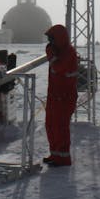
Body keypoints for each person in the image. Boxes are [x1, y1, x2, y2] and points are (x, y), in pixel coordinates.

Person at [43, 24, 79, 167]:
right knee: (50, 125)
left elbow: (58, 67)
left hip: (65, 97)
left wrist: (50, 54)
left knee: (60, 127)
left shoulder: (68, 52)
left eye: (51, 39)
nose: (49, 42)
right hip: (54, 96)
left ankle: (63, 158)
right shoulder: (57, 51)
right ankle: (55, 154)